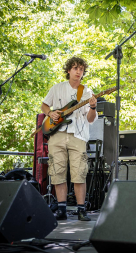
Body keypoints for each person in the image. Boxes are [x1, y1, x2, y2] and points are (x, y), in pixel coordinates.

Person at [41, 57, 97, 221]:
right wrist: (49, 113)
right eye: (75, 68)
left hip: (78, 136)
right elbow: (44, 105)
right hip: (56, 135)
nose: (79, 71)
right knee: (57, 172)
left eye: (81, 69)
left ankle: (81, 210)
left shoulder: (86, 91)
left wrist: (93, 107)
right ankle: (62, 209)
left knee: (79, 172)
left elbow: (91, 119)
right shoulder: (57, 88)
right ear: (68, 70)